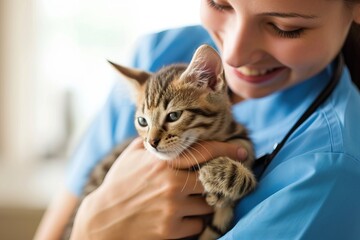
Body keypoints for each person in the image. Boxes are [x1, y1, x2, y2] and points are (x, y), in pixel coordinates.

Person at [34, 0, 360, 239]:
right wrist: (90, 228)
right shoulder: (157, 56)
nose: (232, 55)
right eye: (219, 3)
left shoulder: (329, 168)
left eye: (285, 27)